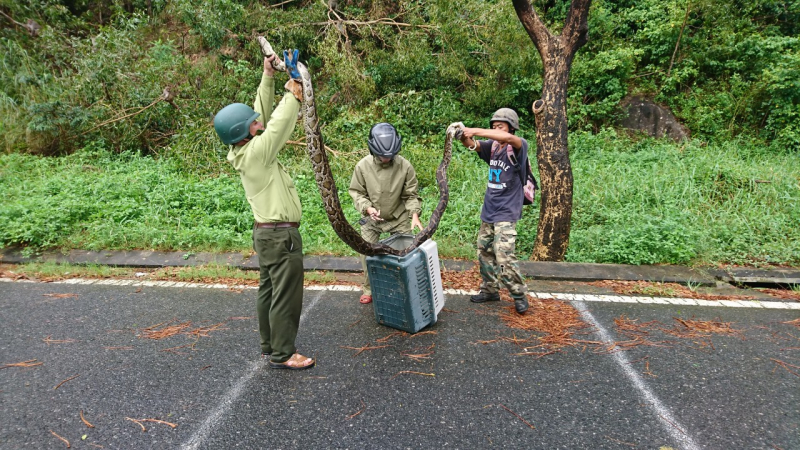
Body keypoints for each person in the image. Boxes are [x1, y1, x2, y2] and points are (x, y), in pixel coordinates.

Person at [212, 40, 314, 370]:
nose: (260, 123)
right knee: (286, 295)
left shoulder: (243, 148)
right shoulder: (259, 152)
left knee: (269, 291)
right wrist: (294, 89)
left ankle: (270, 345)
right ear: (245, 133)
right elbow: (279, 124)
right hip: (281, 237)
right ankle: (284, 353)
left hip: (266, 234)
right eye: (254, 123)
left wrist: (268, 76)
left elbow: (261, 115)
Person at [454, 108, 530, 314]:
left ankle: (518, 294)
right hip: (490, 209)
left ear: (511, 128)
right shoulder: (493, 147)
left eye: (500, 126)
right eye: (494, 126)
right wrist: (462, 134)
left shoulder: (519, 145)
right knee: (484, 252)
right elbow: (472, 145)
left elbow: (508, 138)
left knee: (503, 256)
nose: (496, 130)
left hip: (507, 211)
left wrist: (474, 130)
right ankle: (489, 290)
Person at [348, 122, 423, 304]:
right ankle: (369, 288)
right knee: (367, 253)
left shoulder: (405, 166)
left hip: (398, 217)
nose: (386, 159)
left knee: (404, 254)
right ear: (373, 150)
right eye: (382, 156)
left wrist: (414, 214)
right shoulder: (362, 166)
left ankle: (403, 287)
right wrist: (367, 208)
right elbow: (357, 192)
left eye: (390, 155)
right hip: (372, 219)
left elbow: (411, 194)